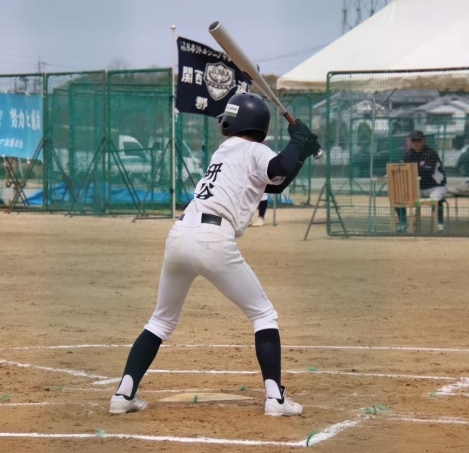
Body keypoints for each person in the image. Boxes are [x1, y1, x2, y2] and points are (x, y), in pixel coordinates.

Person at [109, 92, 320, 417]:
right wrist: (298, 140)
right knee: (263, 315)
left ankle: (124, 394)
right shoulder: (254, 149)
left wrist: (300, 153)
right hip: (213, 239)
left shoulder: (226, 150)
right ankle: (275, 399)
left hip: (180, 233)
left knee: (161, 320)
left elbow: (274, 183)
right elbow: (278, 166)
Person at [395, 130, 447, 233]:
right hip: (418, 187)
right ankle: (403, 223)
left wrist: (413, 170)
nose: (416, 143)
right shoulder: (409, 154)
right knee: (399, 196)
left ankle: (439, 225)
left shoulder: (431, 153)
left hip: (435, 186)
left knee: (436, 199)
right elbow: (407, 170)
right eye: (413, 140)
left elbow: (429, 171)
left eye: (418, 140)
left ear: (423, 141)